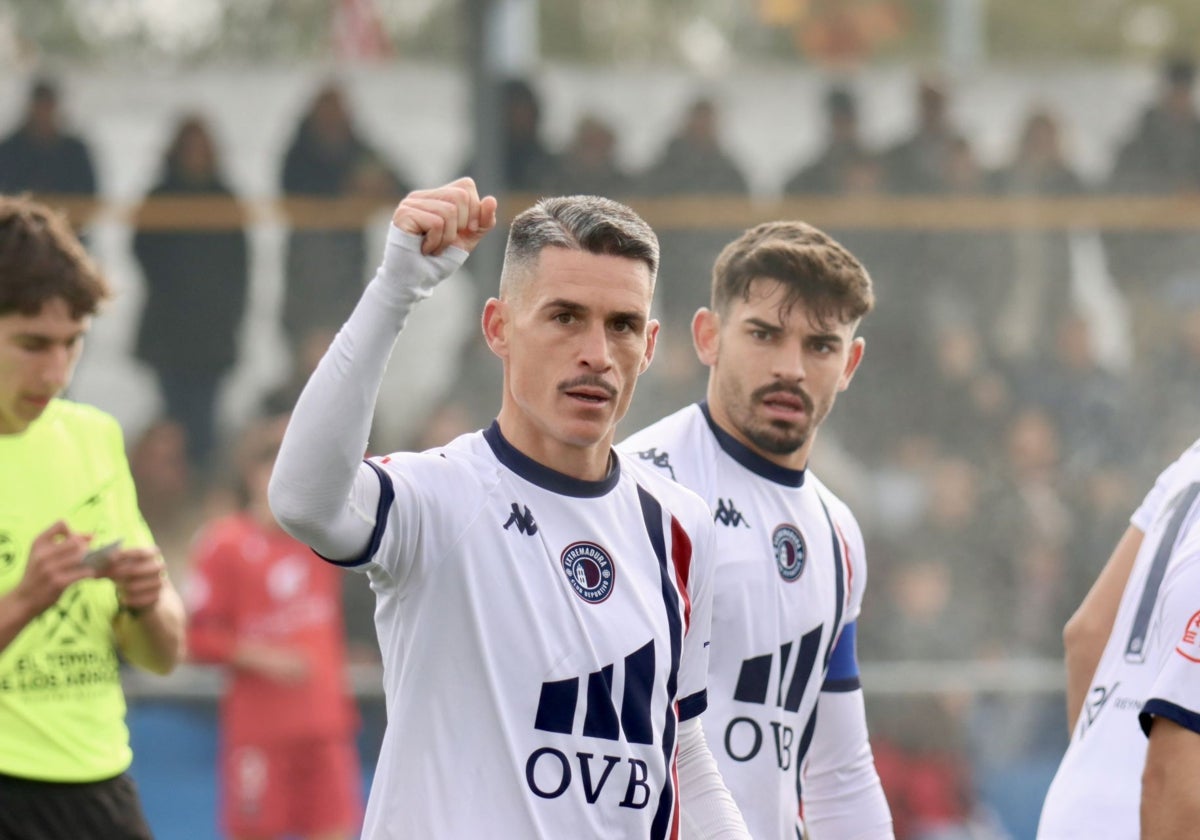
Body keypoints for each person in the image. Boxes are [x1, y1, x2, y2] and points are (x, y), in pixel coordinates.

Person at [267, 177, 749, 838]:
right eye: (564, 317)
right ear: (498, 328)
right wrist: (393, 290)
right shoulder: (441, 497)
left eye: (623, 326)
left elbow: (683, 748)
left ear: (652, 344)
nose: (597, 355)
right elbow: (303, 501)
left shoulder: (679, 525)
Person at [621, 221, 894, 839]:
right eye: (764, 335)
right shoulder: (638, 487)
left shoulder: (838, 533)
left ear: (850, 362)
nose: (791, 367)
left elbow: (839, 771)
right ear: (707, 337)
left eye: (821, 346)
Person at [0, 195, 185, 838]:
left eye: (72, 343)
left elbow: (165, 654)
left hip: (100, 783)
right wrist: (23, 599)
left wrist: (146, 599)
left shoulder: (94, 437)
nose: (55, 371)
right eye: (32, 344)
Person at [186, 414, 361, 840]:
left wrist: (316, 433)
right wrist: (261, 657)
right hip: (261, 735)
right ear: (252, 474)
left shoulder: (322, 537)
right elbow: (193, 638)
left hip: (325, 727)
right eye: (274, 465)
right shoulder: (224, 544)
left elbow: (365, 475)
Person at [1038, 437, 1200, 838]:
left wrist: (1104, 756)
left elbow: (1087, 634)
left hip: (1076, 804)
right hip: (1158, 813)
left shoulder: (1189, 462)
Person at [133, 114, 250, 472]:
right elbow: (142, 251)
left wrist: (230, 315)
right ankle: (170, 483)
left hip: (211, 332)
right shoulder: (159, 197)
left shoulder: (225, 199)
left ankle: (200, 478)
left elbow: (239, 267)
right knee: (173, 414)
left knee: (204, 418)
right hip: (169, 330)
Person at [0, 77, 97, 199]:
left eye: (47, 106)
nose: (43, 113)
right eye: (40, 106)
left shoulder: (75, 151)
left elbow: (90, 195)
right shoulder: (9, 151)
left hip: (67, 216)